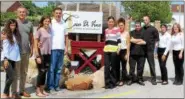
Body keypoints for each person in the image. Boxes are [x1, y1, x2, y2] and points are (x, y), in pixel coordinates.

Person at [11, 7, 34, 97]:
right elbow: (6, 35)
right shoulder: (13, 23)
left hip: (26, 52)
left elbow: (31, 37)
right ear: (17, 13)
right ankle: (14, 93)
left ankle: (22, 90)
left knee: (24, 73)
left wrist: (32, 48)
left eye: (23, 12)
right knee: (15, 74)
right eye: (20, 12)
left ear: (26, 13)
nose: (22, 13)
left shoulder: (30, 24)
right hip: (15, 53)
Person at [46, 7, 68, 92]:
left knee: (58, 69)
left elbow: (66, 36)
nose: (58, 14)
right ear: (53, 13)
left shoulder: (64, 23)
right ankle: (50, 87)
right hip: (53, 49)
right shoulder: (50, 23)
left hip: (61, 49)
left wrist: (66, 47)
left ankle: (56, 86)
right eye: (56, 13)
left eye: (59, 13)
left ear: (61, 14)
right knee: (51, 69)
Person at [1, 19, 21, 98]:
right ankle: (4, 93)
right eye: (11, 25)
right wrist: (5, 59)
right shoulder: (5, 33)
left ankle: (7, 95)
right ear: (8, 25)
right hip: (6, 58)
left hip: (13, 58)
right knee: (12, 77)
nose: (13, 27)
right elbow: (5, 47)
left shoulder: (14, 33)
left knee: (8, 77)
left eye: (14, 25)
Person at [34, 16, 51, 97]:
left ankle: (42, 89)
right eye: (45, 21)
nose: (47, 23)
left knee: (45, 72)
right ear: (42, 22)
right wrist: (37, 56)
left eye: (48, 21)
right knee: (41, 72)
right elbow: (35, 42)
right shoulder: (39, 30)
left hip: (48, 54)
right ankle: (38, 91)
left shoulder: (50, 30)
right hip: (40, 54)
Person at [104, 16, 121, 89]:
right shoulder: (106, 30)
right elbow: (106, 40)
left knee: (113, 67)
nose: (110, 23)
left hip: (114, 50)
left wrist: (118, 49)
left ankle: (113, 82)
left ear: (114, 23)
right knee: (107, 67)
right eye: (109, 21)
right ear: (107, 22)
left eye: (112, 22)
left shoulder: (117, 29)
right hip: (106, 50)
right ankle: (107, 83)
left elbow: (119, 41)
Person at [127, 22, 146, 86]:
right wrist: (140, 40)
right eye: (136, 26)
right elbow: (131, 40)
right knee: (132, 68)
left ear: (140, 26)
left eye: (138, 26)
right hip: (133, 53)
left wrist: (135, 40)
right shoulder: (131, 32)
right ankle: (131, 79)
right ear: (134, 26)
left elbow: (144, 42)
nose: (137, 27)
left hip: (141, 53)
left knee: (140, 68)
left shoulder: (144, 32)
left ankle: (139, 79)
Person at [142, 16, 159, 85]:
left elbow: (157, 41)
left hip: (150, 50)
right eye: (144, 20)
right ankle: (140, 78)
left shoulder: (154, 29)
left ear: (149, 20)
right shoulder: (142, 29)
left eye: (146, 20)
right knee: (141, 65)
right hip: (142, 50)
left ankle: (153, 79)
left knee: (152, 65)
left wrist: (155, 51)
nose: (145, 21)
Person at [116, 18, 130, 86]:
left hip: (124, 51)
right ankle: (118, 79)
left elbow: (128, 44)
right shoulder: (117, 33)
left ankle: (122, 80)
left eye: (122, 25)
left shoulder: (127, 33)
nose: (120, 26)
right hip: (117, 51)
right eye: (119, 25)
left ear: (124, 25)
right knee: (117, 66)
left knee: (123, 67)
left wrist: (127, 54)